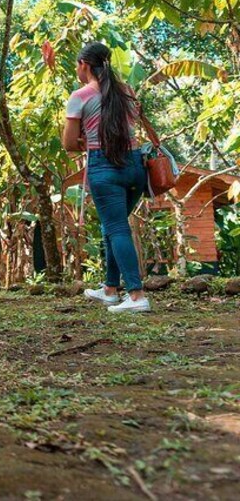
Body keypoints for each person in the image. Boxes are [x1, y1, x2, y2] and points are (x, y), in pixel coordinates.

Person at [63, 42, 150, 312]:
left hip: (105, 166)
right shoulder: (127, 91)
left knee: (116, 228)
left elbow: (68, 144)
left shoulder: (81, 95)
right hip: (136, 165)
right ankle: (111, 289)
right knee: (113, 224)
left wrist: (87, 139)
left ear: (85, 65)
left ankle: (136, 296)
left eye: (77, 65)